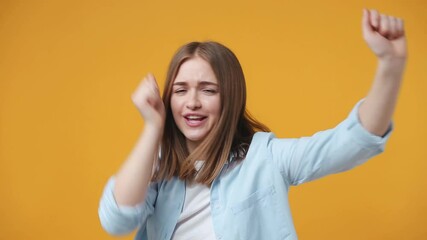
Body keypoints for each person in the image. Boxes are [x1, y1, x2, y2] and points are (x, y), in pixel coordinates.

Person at [98, 9, 406, 240]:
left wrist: (390, 66)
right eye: (180, 90)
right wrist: (152, 128)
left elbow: (352, 143)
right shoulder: (160, 168)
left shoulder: (265, 158)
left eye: (208, 89)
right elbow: (116, 222)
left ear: (229, 98)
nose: (192, 102)